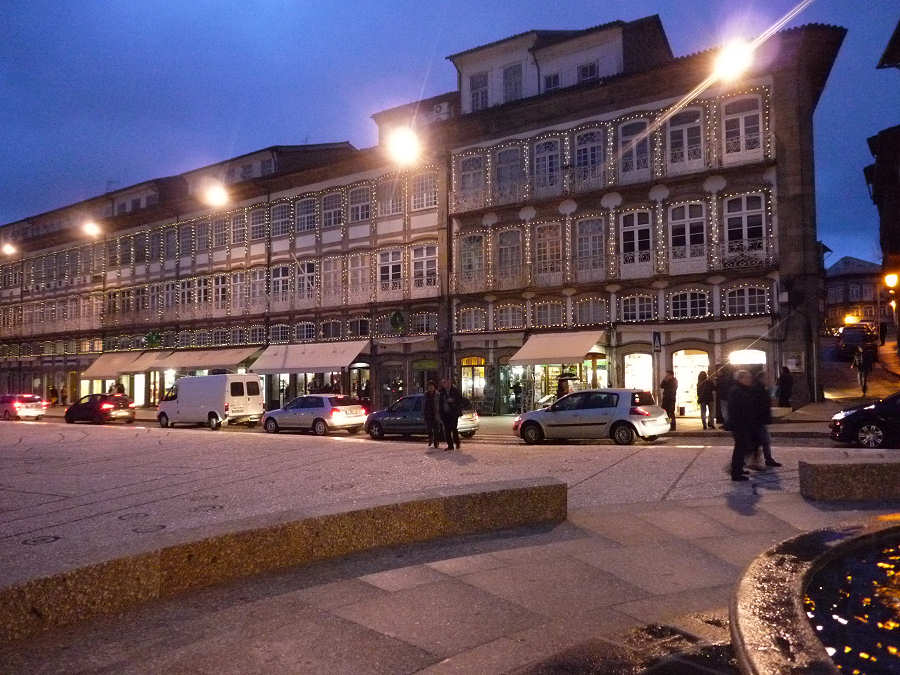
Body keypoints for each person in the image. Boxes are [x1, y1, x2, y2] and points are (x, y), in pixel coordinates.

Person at [747, 371, 782, 469]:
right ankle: (760, 460)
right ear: (761, 378)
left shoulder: (761, 388)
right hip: (758, 420)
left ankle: (766, 459)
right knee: (761, 441)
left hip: (760, 420)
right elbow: (757, 405)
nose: (768, 380)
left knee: (763, 441)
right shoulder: (757, 389)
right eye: (766, 378)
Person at [727, 370, 756, 481]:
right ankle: (736, 472)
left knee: (742, 448)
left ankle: (738, 469)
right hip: (739, 425)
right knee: (740, 448)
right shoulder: (737, 391)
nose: (749, 380)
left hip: (742, 424)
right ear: (741, 379)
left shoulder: (741, 389)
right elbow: (738, 409)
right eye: (747, 378)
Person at [438, 377, 463, 451]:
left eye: (447, 382)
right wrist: (440, 412)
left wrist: (453, 401)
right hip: (445, 414)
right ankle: (450, 445)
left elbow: (460, 400)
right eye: (444, 383)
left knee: (454, 428)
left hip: (453, 413)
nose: (446, 384)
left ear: (450, 383)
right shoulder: (441, 392)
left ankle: (457, 443)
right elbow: (439, 403)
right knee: (447, 430)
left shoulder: (455, 391)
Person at [423, 381, 441, 449]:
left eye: (432, 386)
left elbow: (440, 403)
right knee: (429, 429)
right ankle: (430, 438)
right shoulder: (426, 394)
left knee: (436, 429)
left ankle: (436, 442)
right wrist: (424, 412)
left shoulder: (437, 394)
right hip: (428, 414)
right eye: (429, 386)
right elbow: (423, 404)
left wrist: (439, 412)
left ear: (434, 387)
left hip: (435, 414)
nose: (430, 388)